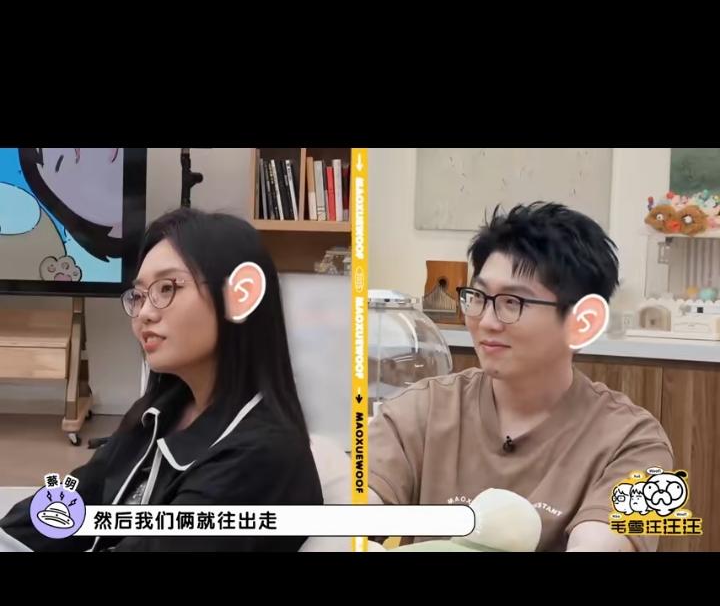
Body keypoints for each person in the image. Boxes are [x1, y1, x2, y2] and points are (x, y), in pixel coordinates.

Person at [0, 208, 322, 553]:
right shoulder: (160, 411)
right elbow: (77, 496)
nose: (144, 313)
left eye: (167, 288)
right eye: (138, 296)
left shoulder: (260, 457)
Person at [368, 202, 674, 552]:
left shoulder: (635, 442)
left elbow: (601, 544)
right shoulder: (420, 409)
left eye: (512, 302)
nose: (487, 321)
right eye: (478, 297)